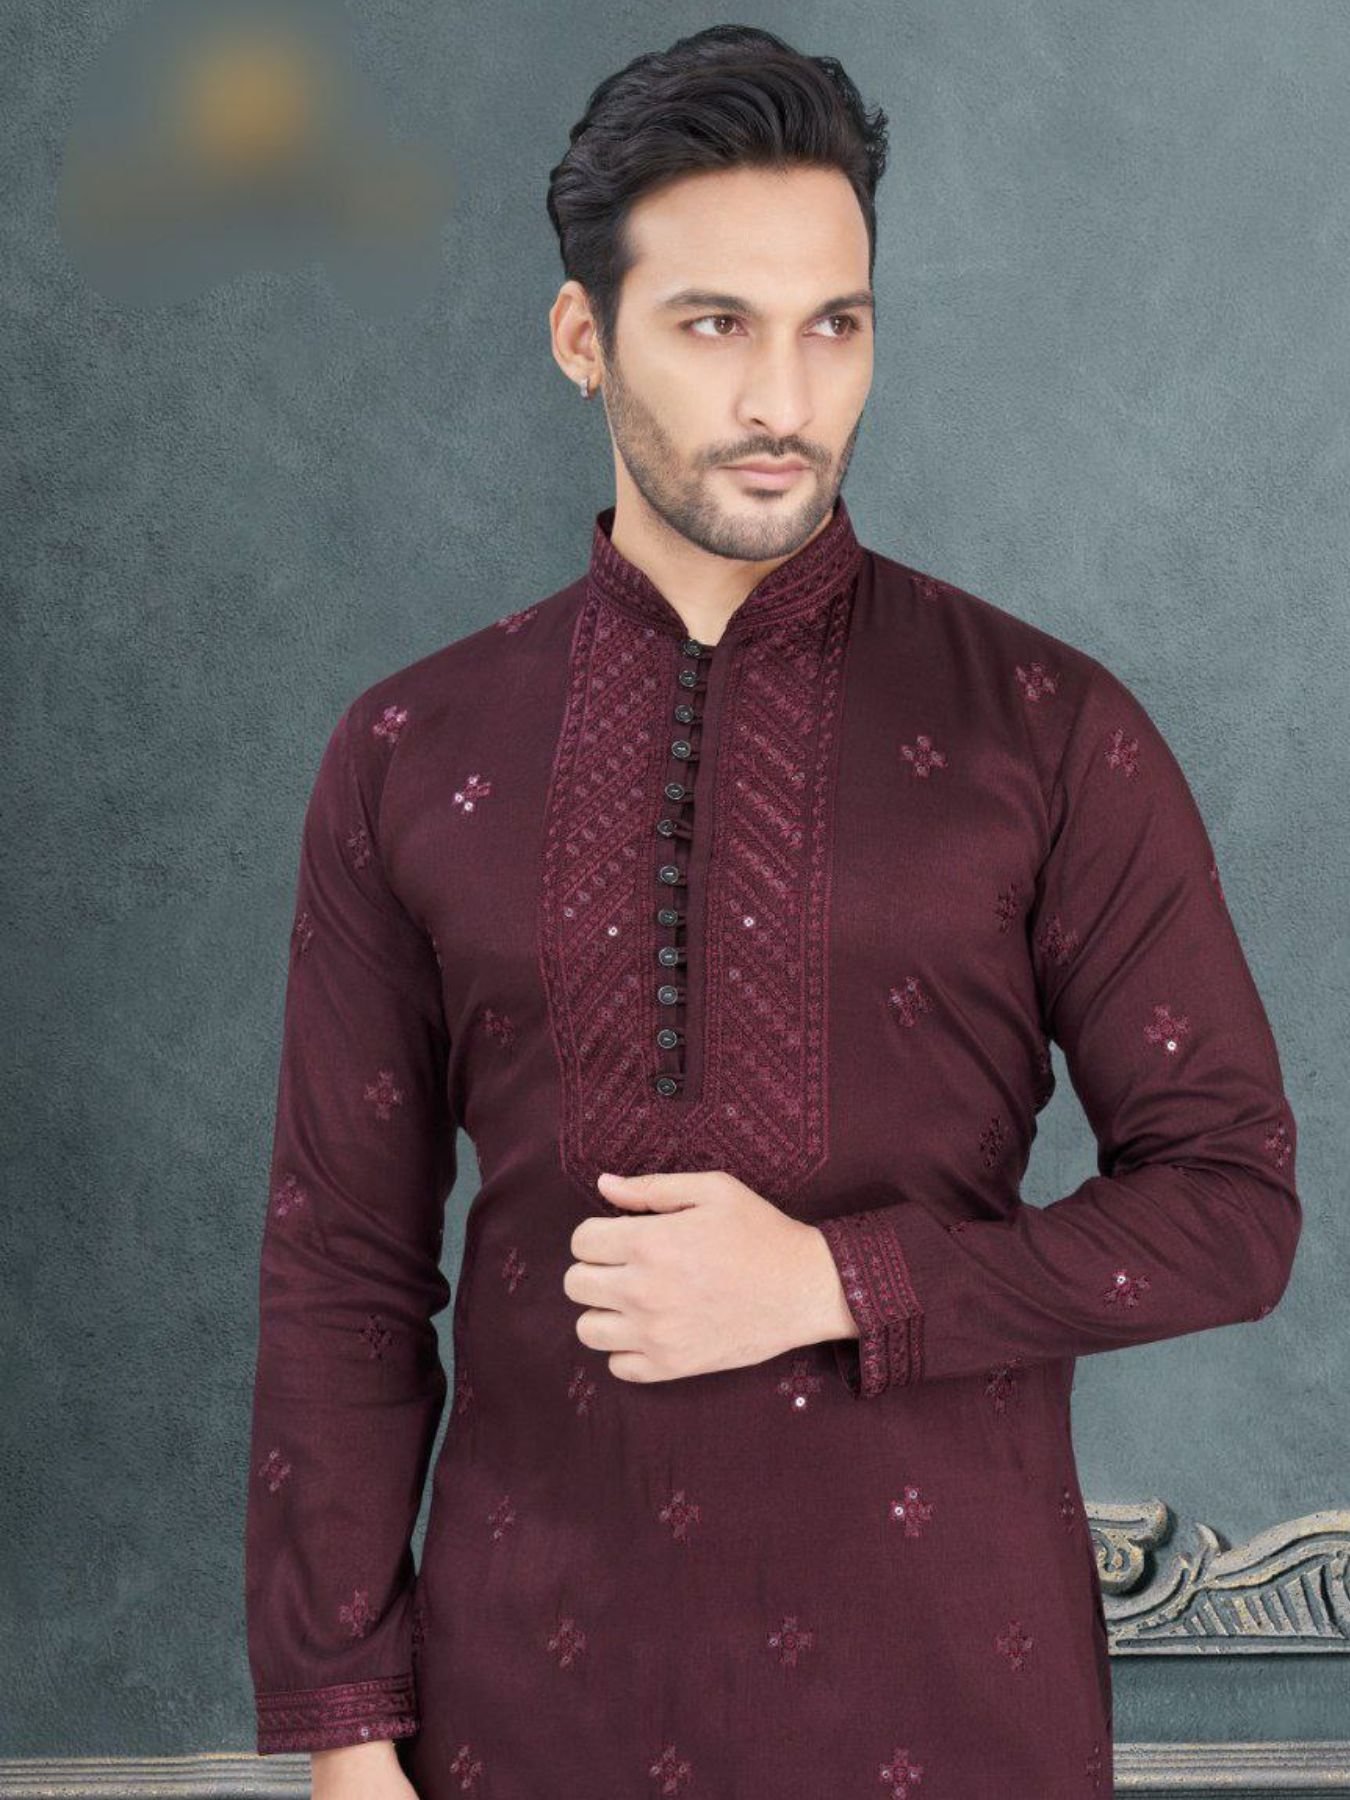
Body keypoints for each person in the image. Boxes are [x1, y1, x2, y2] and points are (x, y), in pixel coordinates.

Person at [243, 25, 1301, 1798]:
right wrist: (345, 1731)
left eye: (835, 326)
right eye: (714, 324)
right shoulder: (412, 750)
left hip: (959, 1717)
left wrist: (832, 1278)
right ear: (583, 338)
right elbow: (341, 1267)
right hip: (524, 1725)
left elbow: (1231, 1208)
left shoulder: (1042, 727)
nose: (783, 399)